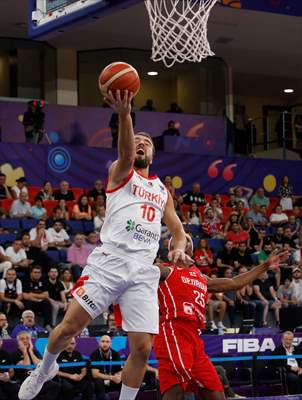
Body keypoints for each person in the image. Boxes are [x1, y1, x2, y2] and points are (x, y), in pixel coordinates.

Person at [19, 89, 190, 400]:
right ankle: (44, 369)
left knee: (142, 347)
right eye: (137, 140)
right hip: (110, 262)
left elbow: (178, 229)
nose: (141, 144)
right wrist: (125, 115)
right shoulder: (119, 171)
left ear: (153, 155)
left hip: (142, 270)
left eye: (147, 143)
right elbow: (125, 153)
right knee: (69, 327)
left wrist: (178, 247)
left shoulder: (162, 190)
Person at [154, 234, 282, 400]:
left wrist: (264, 266)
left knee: (216, 392)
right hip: (173, 331)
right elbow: (141, 269)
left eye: (187, 241)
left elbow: (234, 283)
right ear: (172, 250)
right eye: (180, 240)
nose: (183, 241)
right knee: (176, 389)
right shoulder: (165, 270)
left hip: (195, 338)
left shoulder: (202, 277)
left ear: (191, 251)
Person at [13, 331, 60, 399]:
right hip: (24, 381)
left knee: (56, 386)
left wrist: (30, 351)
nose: (25, 340)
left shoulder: (35, 352)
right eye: (22, 339)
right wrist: (24, 351)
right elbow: (27, 367)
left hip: (38, 379)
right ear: (18, 342)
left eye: (27, 338)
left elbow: (39, 365)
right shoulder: (15, 354)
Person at [22, 265, 52, 330]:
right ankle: (30, 324)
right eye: (35, 272)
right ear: (31, 273)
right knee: (28, 303)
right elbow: (25, 296)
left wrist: (32, 294)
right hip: (31, 302)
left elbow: (46, 295)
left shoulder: (43, 281)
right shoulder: (26, 280)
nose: (37, 274)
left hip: (39, 302)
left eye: (39, 272)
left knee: (47, 303)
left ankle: (47, 325)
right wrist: (39, 297)